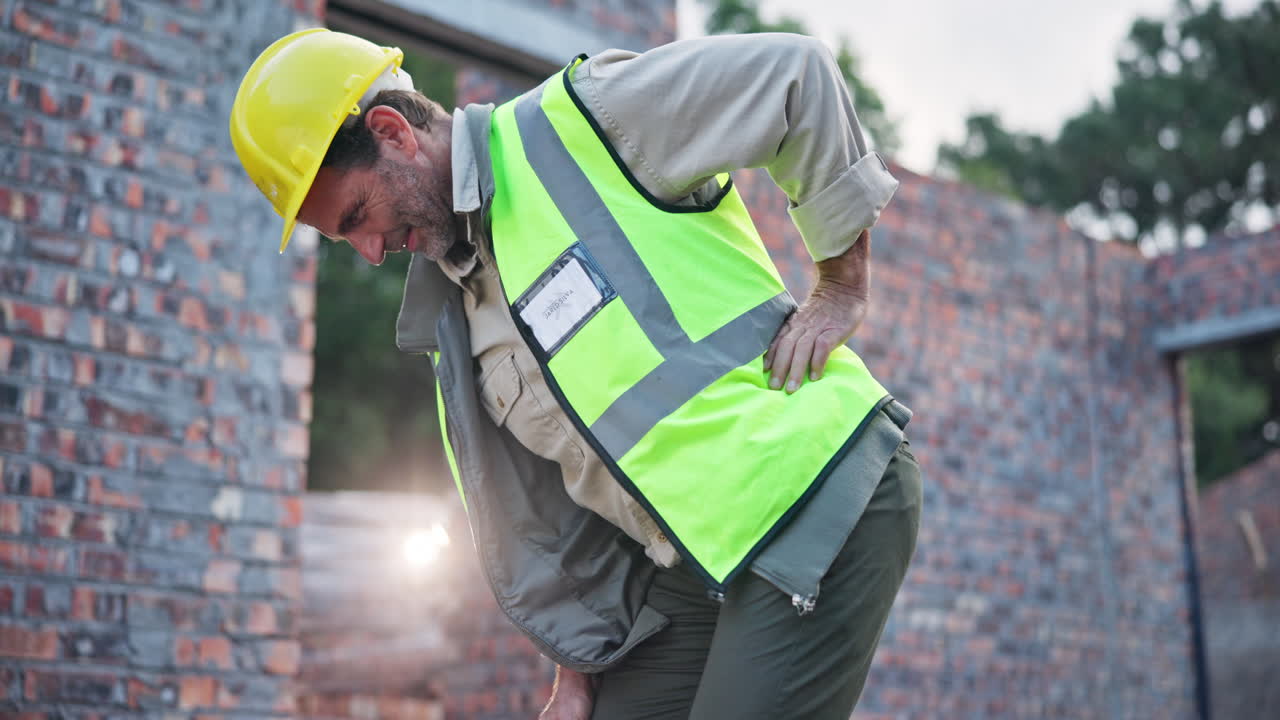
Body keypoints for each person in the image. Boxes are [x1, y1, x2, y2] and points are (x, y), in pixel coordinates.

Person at [231, 28, 922, 720]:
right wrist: (577, 674)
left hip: (811, 487)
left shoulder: (583, 121)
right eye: (344, 239)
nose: (371, 251)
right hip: (690, 562)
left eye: (358, 216)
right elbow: (548, 515)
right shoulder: (455, 310)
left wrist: (840, 282)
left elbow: (793, 74)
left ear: (393, 133)